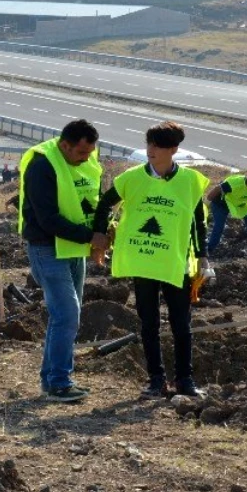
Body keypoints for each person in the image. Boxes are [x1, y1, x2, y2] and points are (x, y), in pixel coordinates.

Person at [92, 121, 209, 399]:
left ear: (174, 149)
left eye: (157, 145)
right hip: (143, 262)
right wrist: (100, 232)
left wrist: (203, 255)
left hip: (175, 264)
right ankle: (156, 380)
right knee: (149, 324)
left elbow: (198, 221)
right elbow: (104, 203)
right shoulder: (131, 178)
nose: (150, 150)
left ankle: (185, 380)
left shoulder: (190, 181)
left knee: (182, 324)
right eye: (149, 144)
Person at [18, 119, 104, 403]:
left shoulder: (85, 162)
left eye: (90, 152)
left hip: (73, 249)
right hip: (48, 248)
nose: (86, 158)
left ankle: (52, 379)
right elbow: (48, 219)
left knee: (67, 316)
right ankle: (58, 382)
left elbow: (91, 200)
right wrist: (91, 237)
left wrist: (100, 232)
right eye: (81, 153)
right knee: (66, 315)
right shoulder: (42, 166)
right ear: (65, 145)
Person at [205, 170, 247, 255]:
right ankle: (209, 249)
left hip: (238, 203)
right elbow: (217, 189)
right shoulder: (235, 184)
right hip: (221, 204)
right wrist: (206, 203)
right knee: (219, 226)